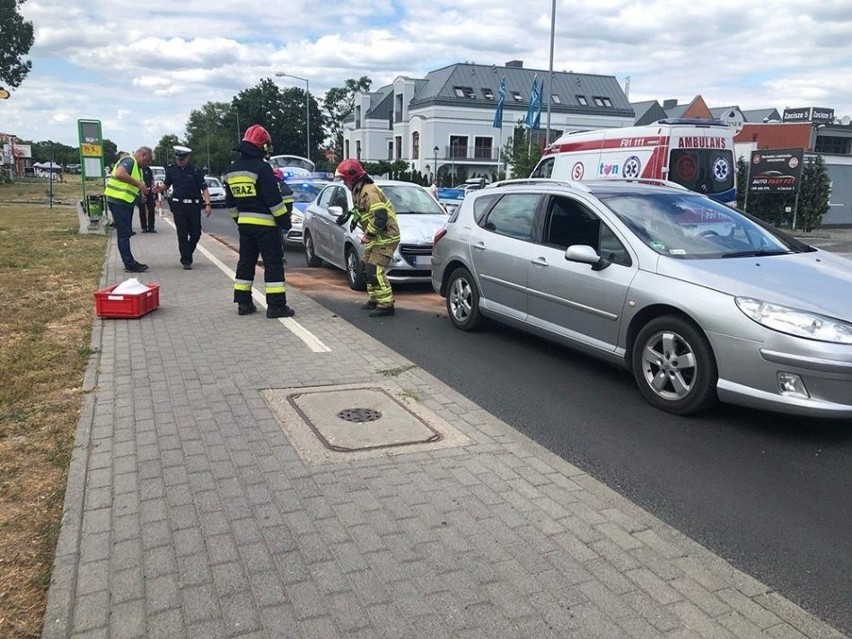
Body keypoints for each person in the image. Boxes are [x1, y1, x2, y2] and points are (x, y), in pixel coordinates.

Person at [222, 124, 295, 318]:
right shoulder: (262, 168)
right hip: (266, 226)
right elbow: (274, 201)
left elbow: (231, 203)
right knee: (273, 264)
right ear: (260, 146)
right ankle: (276, 306)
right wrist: (284, 223)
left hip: (245, 226)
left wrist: (241, 220)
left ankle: (243, 303)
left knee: (245, 262)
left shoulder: (231, 171)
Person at [333, 158, 400, 317]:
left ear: (352, 177)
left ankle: (386, 304)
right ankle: (376, 298)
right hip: (377, 237)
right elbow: (363, 211)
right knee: (365, 268)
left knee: (375, 270)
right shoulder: (358, 191)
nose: (343, 183)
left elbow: (380, 217)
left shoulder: (369, 191)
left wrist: (368, 235)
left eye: (344, 179)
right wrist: (349, 216)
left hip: (386, 236)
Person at [104, 146, 153, 273]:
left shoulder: (137, 167)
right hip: (119, 201)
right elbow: (120, 174)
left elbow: (131, 185)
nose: (147, 164)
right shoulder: (129, 161)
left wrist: (140, 195)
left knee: (125, 233)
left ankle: (129, 262)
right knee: (124, 234)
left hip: (124, 202)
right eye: (147, 161)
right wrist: (139, 184)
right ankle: (129, 264)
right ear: (142, 155)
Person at [163, 145, 211, 269]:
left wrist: (208, 204)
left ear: (187, 158)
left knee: (196, 233)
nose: (179, 162)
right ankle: (186, 260)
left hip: (193, 206)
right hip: (178, 206)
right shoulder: (171, 170)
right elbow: (166, 185)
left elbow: (204, 188)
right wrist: (157, 189)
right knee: (182, 233)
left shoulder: (195, 170)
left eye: (182, 159)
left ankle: (188, 252)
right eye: (178, 159)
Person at [139, 164, 157, 232]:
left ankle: (151, 227)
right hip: (141, 191)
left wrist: (153, 187)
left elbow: (151, 180)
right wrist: (141, 193)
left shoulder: (148, 169)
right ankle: (144, 227)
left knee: (151, 208)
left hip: (149, 191)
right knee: (142, 210)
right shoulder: (138, 169)